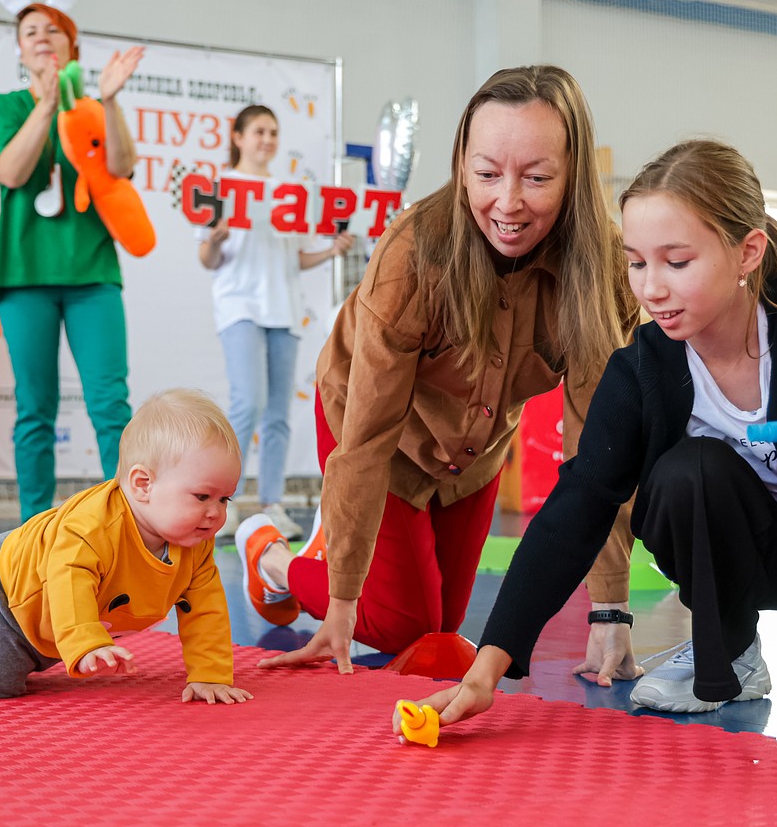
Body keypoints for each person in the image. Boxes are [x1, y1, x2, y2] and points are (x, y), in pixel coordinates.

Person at [407, 139, 777, 731]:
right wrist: (484, 670)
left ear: (747, 252)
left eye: (677, 263)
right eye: (636, 262)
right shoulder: (641, 372)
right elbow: (575, 509)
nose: (651, 287)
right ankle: (726, 659)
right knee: (687, 471)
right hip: (746, 567)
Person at [235, 65, 640, 674]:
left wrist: (610, 609)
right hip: (376, 428)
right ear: (460, 165)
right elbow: (366, 439)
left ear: (574, 173)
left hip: (474, 451)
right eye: (485, 174)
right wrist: (340, 600)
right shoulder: (414, 255)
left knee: (441, 630)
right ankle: (269, 555)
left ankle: (335, 552)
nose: (507, 202)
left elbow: (599, 451)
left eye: (536, 178)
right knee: (401, 626)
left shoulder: (604, 270)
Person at [0, 388, 254, 704]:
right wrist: (87, 642)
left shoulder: (194, 545)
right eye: (203, 496)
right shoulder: (92, 526)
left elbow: (205, 609)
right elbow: (67, 580)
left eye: (225, 500)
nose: (215, 514)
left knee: (34, 650)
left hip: (46, 619)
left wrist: (210, 674)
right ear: (142, 485)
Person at [0, 0, 145, 521]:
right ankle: (33, 527)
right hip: (24, 274)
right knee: (34, 407)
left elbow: (120, 167)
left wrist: (111, 102)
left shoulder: (95, 109)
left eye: (53, 30)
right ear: (20, 50)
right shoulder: (3, 107)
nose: (42, 38)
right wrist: (47, 106)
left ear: (71, 44)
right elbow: (10, 172)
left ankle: (123, 524)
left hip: (91, 272)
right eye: (31, 31)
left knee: (110, 406)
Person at [197, 105, 354, 540]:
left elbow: (296, 256)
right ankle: (222, 502)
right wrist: (215, 237)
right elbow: (207, 258)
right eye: (259, 131)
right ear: (238, 136)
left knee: (279, 414)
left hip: (284, 310)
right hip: (240, 308)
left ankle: (271, 505)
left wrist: (331, 251)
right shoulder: (221, 187)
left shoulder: (289, 193)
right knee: (248, 403)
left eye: (273, 131)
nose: (266, 139)